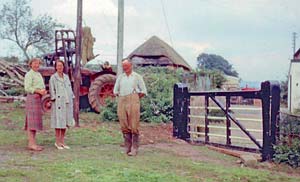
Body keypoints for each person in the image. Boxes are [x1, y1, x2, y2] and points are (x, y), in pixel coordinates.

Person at [113, 58, 147, 156]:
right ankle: (127, 146)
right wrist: (119, 96)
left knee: (134, 124)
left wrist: (135, 98)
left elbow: (143, 91)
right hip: (122, 100)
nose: (125, 68)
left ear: (131, 66)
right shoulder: (120, 77)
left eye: (127, 66)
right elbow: (115, 90)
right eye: (124, 67)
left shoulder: (137, 77)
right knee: (123, 123)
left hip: (133, 99)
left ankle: (135, 147)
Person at [49, 60, 75, 150]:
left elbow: (69, 88)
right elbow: (52, 90)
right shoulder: (53, 78)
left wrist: (71, 97)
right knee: (58, 122)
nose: (60, 67)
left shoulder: (66, 77)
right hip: (58, 103)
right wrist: (54, 99)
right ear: (56, 67)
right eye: (58, 66)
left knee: (65, 122)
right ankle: (57, 142)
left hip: (67, 101)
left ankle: (62, 141)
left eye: (61, 66)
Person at [24, 58, 47, 151]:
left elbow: (41, 86)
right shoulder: (29, 74)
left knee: (35, 123)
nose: (37, 65)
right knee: (31, 122)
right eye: (35, 63)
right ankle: (31, 144)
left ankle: (33, 143)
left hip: (38, 99)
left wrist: (44, 91)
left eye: (38, 64)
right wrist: (38, 91)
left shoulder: (38, 74)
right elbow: (27, 88)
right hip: (32, 98)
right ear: (31, 64)